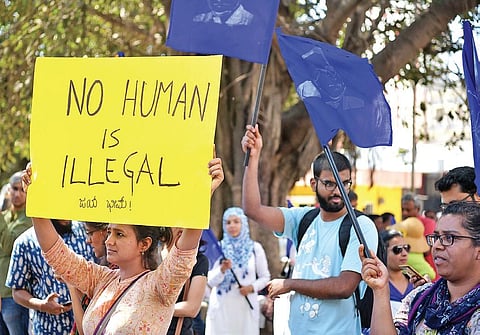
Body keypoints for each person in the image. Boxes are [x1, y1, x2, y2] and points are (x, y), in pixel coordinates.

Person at [22, 157, 223, 335]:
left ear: (144, 244)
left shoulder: (160, 284)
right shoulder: (101, 279)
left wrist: (203, 194)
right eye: (109, 232)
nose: (109, 240)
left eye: (119, 234)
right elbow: (56, 253)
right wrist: (35, 199)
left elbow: (184, 252)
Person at [241, 124, 379, 335]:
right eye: (330, 184)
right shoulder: (303, 218)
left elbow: (344, 287)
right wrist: (254, 157)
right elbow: (253, 209)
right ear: (313, 183)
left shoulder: (361, 226)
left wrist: (290, 284)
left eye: (345, 184)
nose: (338, 191)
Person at [360, 201, 480, 334]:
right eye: (437, 237)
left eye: (449, 237)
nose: (437, 246)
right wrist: (380, 290)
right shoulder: (420, 297)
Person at [6, 218, 94, 335]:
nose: (65, 217)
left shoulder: (85, 232)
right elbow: (17, 291)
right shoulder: (25, 243)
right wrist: (42, 305)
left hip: (86, 324)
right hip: (47, 328)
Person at [205, 207, 270, 335]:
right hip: (222, 307)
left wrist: (251, 287)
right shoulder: (219, 247)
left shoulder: (255, 249)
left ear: (243, 223)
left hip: (245, 305)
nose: (232, 226)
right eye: (228, 222)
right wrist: (222, 270)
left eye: (236, 221)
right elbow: (210, 281)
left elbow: (265, 277)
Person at [0, 171, 32, 334]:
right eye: (14, 188)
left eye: (22, 189)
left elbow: (8, 246)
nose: (18, 193)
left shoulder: (29, 219)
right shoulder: (5, 217)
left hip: (14, 294)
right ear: (8, 191)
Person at [69, 221, 114, 335]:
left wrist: (70, 284)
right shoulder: (108, 269)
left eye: (90, 233)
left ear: (105, 232)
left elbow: (85, 330)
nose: (88, 240)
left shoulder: (116, 274)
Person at [163, 227, 209, 335]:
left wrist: (157, 309)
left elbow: (192, 308)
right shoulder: (150, 255)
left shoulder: (199, 261)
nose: (182, 228)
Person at [400, 193, 437, 279]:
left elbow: (426, 249)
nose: (404, 213)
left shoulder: (428, 223)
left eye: (408, 210)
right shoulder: (401, 226)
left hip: (428, 274)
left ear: (418, 209)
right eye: (402, 209)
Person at [379, 230, 415, 316]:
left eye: (406, 248)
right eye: (397, 249)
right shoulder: (377, 285)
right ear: (383, 252)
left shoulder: (415, 282)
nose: (404, 253)